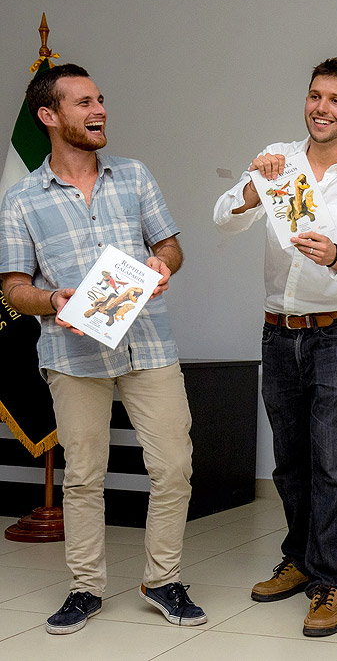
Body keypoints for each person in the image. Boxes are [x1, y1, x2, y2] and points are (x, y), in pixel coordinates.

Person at [0, 64, 206, 635]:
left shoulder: (135, 175)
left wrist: (163, 265)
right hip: (72, 356)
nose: (100, 110)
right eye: (84, 102)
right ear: (49, 116)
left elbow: (169, 247)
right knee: (84, 476)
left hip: (150, 346)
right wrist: (51, 301)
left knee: (174, 467)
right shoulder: (20, 199)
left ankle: (162, 580)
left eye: (101, 100)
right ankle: (85, 588)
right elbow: (12, 285)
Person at [213, 57, 337, 637]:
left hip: (336, 334)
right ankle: (297, 561)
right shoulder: (279, 160)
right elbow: (223, 220)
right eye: (315, 96)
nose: (322, 108)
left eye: (336, 100)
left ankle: (327, 583)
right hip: (278, 330)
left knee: (334, 464)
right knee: (290, 460)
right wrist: (250, 185)